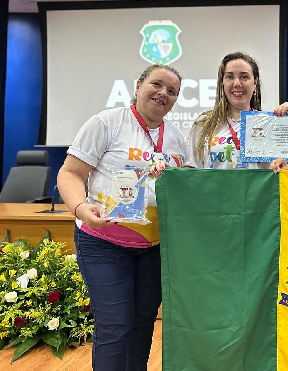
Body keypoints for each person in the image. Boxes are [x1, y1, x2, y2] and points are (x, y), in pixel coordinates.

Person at [57, 63, 189, 370]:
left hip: (154, 247)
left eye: (172, 91)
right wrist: (79, 208)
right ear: (139, 84)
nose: (163, 94)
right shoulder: (107, 123)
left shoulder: (177, 139)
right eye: (157, 85)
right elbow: (70, 173)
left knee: (143, 323)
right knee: (114, 326)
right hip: (104, 243)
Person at [187, 52, 288, 169]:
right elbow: (191, 173)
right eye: (230, 77)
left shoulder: (270, 123)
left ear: (255, 83)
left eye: (244, 77)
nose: (237, 83)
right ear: (222, 83)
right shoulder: (204, 124)